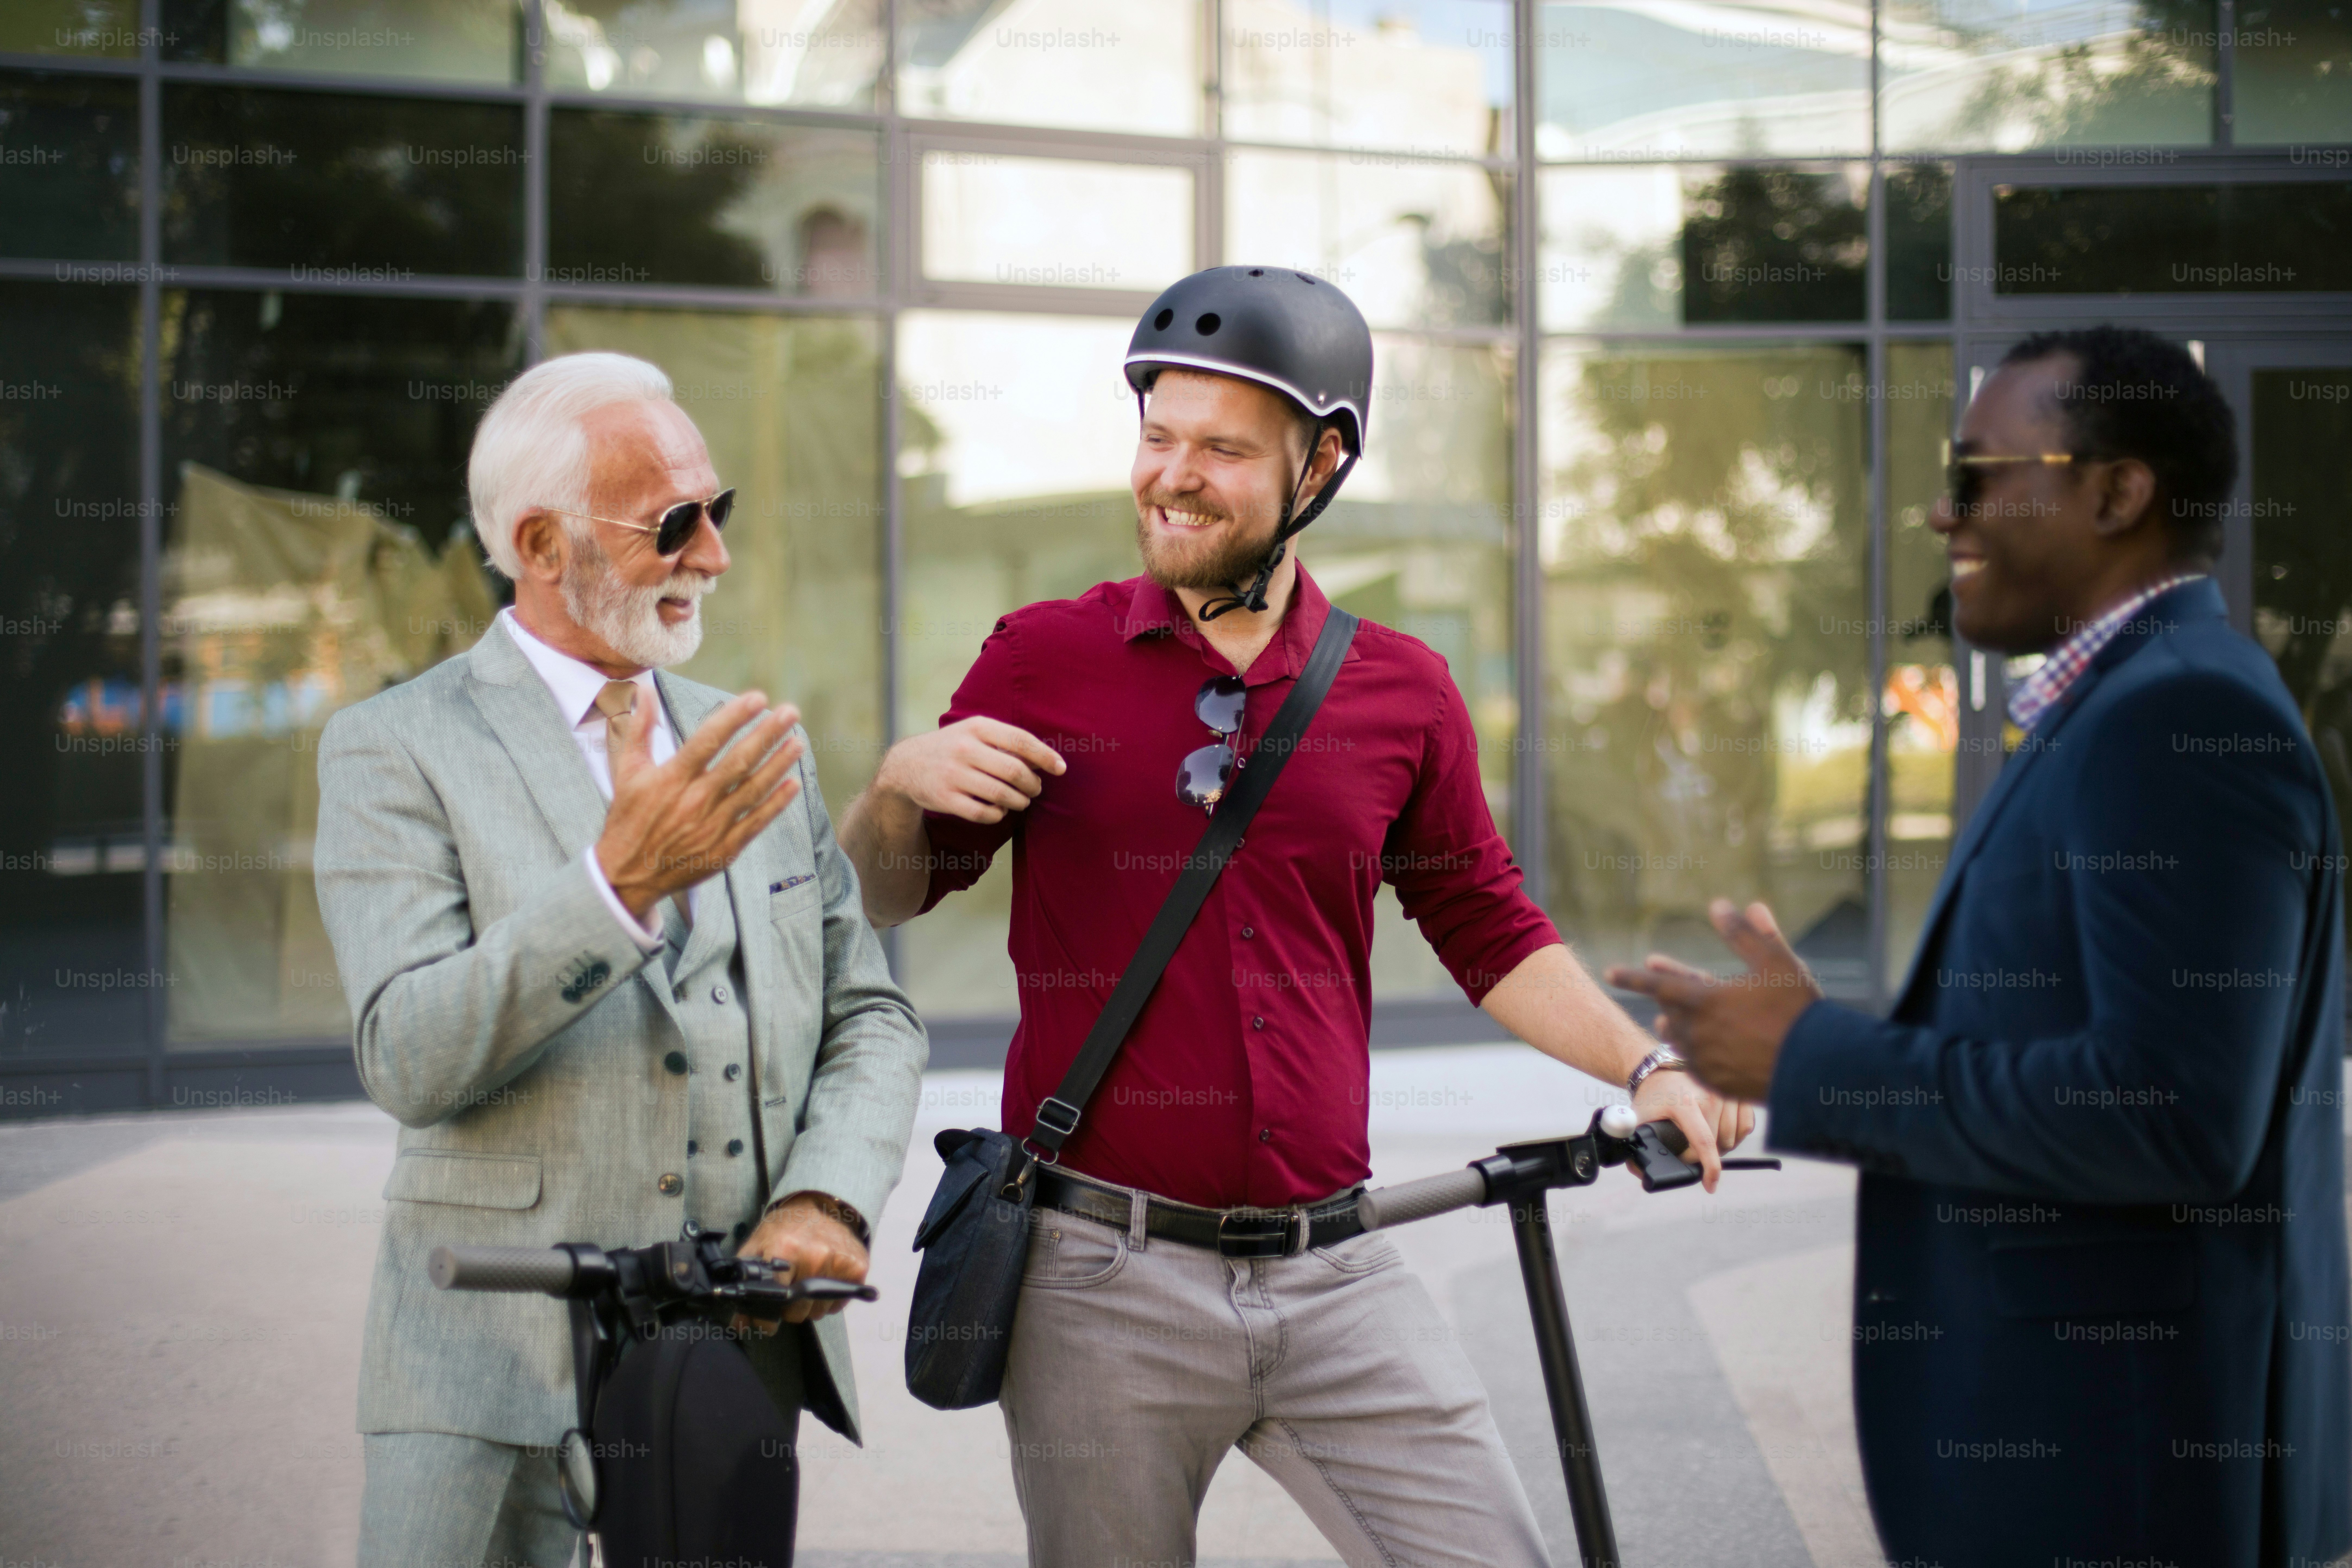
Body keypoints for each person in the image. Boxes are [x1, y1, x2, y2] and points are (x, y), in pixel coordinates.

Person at [839, 266, 1753, 1568]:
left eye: (1220, 447)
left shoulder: (1403, 691)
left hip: (1341, 1269)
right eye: (1157, 436)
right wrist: (892, 787)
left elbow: (1485, 923)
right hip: (1101, 1281)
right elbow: (886, 891)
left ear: (1319, 465)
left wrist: (1646, 1064)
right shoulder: (1044, 656)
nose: (1172, 473)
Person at [1611, 326, 2352, 1568]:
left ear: (2116, 492)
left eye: (1978, 475)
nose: (1939, 510)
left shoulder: (2177, 714)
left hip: (2120, 1465)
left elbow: (2172, 1115)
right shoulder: (2137, 697)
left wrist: (1816, 1057)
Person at [314, 352, 927, 1568]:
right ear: (540, 545)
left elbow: (872, 1013)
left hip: (728, 1363)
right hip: (485, 1376)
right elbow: (409, 1053)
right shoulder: (393, 748)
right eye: (675, 523)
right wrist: (615, 890)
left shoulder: (752, 744)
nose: (715, 556)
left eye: (721, 511)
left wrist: (828, 1192)